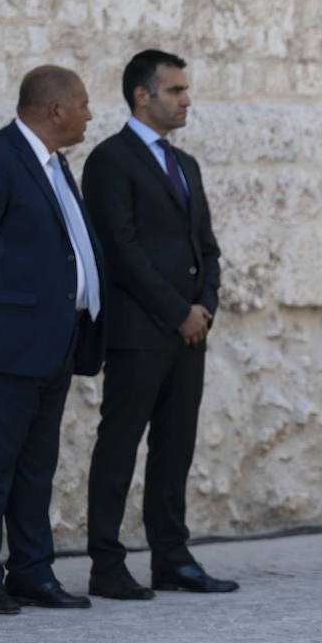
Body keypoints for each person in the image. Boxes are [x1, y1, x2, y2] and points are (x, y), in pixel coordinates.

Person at [0, 66, 106, 614]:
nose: (89, 113)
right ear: (54, 110)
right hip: (4, 342)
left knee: (36, 465)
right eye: (82, 103)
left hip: (54, 339)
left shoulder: (54, 165)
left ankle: (33, 571)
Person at [81, 50, 234, 598]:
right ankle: (106, 563)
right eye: (175, 90)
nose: (186, 99)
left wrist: (204, 306)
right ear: (142, 95)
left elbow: (206, 248)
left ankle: (171, 557)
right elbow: (119, 249)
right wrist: (177, 312)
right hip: (139, 333)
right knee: (119, 446)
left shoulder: (185, 164)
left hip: (190, 334)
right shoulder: (109, 160)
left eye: (185, 89)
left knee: (175, 448)